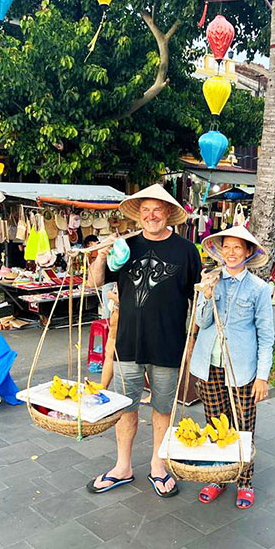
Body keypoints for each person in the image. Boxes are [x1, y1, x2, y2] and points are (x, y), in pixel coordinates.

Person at [86, 183, 201, 496]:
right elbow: (96, 281)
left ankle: (157, 465)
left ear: (168, 214)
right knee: (126, 406)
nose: (152, 216)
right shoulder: (125, 246)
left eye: (158, 210)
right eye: (146, 210)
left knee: (163, 408)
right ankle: (122, 466)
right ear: (139, 215)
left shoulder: (187, 251)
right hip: (128, 344)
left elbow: (197, 299)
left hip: (168, 343)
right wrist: (101, 255)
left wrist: (192, 339)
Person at [190, 225, 275, 509]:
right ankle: (218, 477)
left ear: (248, 252)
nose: (231, 253)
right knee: (215, 424)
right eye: (226, 246)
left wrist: (262, 377)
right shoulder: (212, 280)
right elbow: (202, 322)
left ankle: (244, 481)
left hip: (241, 369)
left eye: (238, 247)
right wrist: (207, 293)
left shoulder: (259, 289)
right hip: (209, 365)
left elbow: (266, 335)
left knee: (243, 427)